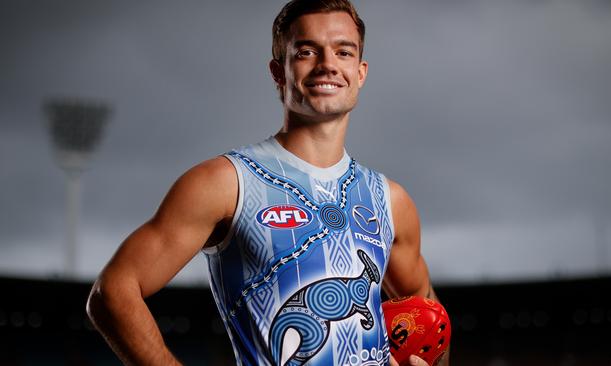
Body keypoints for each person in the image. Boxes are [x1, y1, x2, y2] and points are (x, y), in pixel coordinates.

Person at [86, 1, 450, 365]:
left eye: (343, 51)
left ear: (360, 72)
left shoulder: (389, 201)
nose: (328, 64)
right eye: (307, 51)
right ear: (279, 72)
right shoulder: (225, 183)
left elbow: (430, 319)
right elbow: (113, 292)